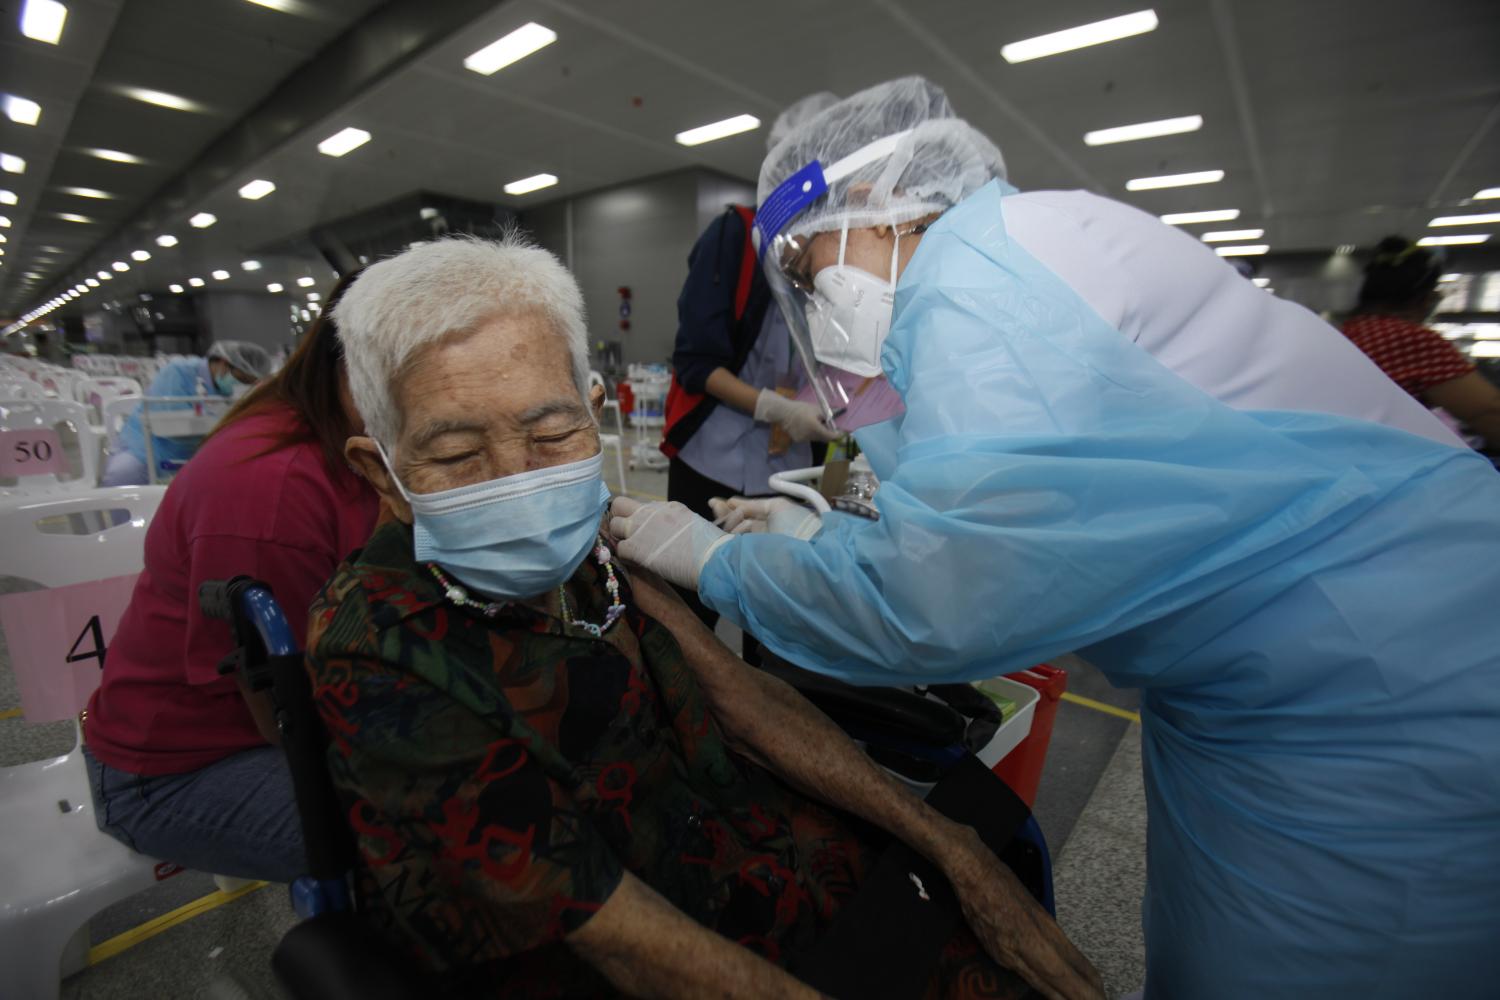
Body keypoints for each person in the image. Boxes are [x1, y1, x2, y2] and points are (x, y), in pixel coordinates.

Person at [610, 78, 1500, 999]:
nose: (811, 297)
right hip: (1271, 672)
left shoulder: (979, 288)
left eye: (803, 266)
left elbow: (942, 594)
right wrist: (831, 536)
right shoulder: (1018, 252)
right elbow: (1020, 497)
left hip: (1381, 688)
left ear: (875, 206)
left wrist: (724, 563)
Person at [314, 234, 1103, 1000]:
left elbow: (741, 697)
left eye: (551, 434)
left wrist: (956, 854)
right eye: (456, 456)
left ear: (595, 414)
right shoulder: (376, 645)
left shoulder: (586, 541)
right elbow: (604, 928)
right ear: (379, 472)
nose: (518, 482)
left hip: (754, 860)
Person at [82, 290, 379, 882]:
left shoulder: (344, 439)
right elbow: (288, 711)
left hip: (258, 725)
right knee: (428, 837)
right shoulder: (276, 492)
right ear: (353, 363)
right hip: (173, 771)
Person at [665, 93, 842, 631]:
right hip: (713, 459)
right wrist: (772, 408)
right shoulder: (736, 237)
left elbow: (842, 367)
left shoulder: (847, 249)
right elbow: (695, 362)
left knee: (785, 610)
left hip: (799, 465)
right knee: (687, 607)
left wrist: (811, 416)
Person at [1341, 235, 1500, 450]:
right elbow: (1488, 410)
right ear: (1424, 298)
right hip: (1389, 459)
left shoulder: (1347, 333)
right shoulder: (1413, 340)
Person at [101, 340, 272, 486]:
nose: (241, 386)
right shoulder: (178, 372)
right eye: (242, 379)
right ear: (223, 363)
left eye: (250, 383)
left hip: (199, 453)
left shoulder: (230, 391)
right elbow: (172, 426)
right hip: (150, 448)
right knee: (123, 473)